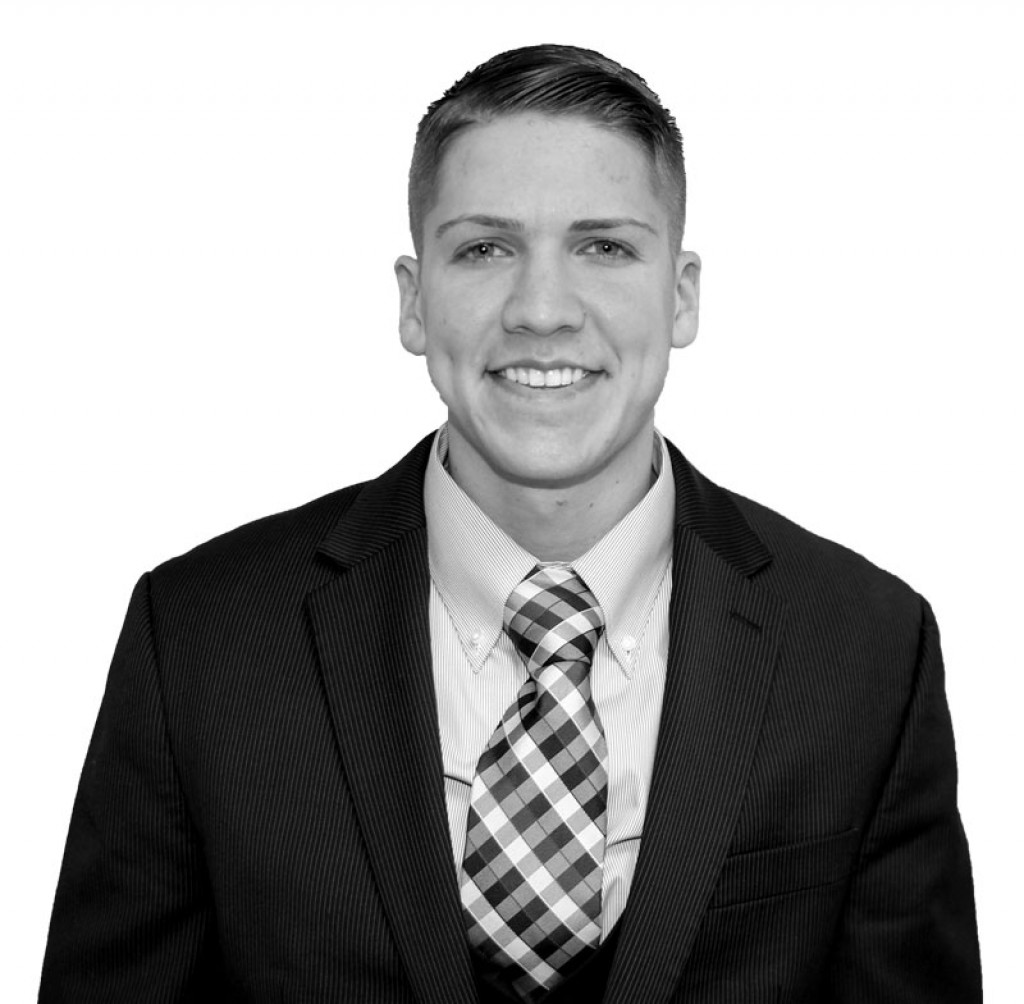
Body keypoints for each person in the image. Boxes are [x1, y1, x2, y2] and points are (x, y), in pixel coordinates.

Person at [39, 43, 981, 1003]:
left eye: (603, 247)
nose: (541, 310)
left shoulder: (867, 647)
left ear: (682, 294)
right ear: (414, 302)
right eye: (485, 249)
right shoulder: (198, 637)